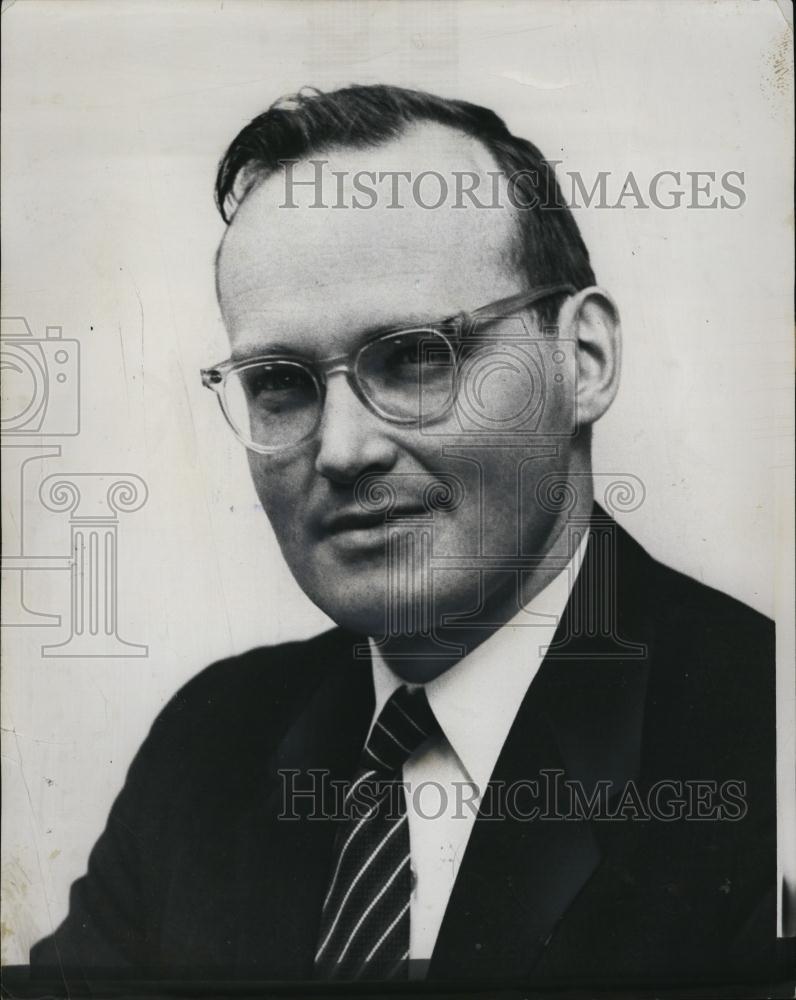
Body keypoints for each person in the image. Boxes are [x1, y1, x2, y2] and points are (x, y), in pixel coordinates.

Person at [30, 84, 787, 987]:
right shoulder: (209, 748)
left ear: (582, 362)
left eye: (419, 357)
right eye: (281, 382)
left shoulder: (758, 735)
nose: (344, 449)